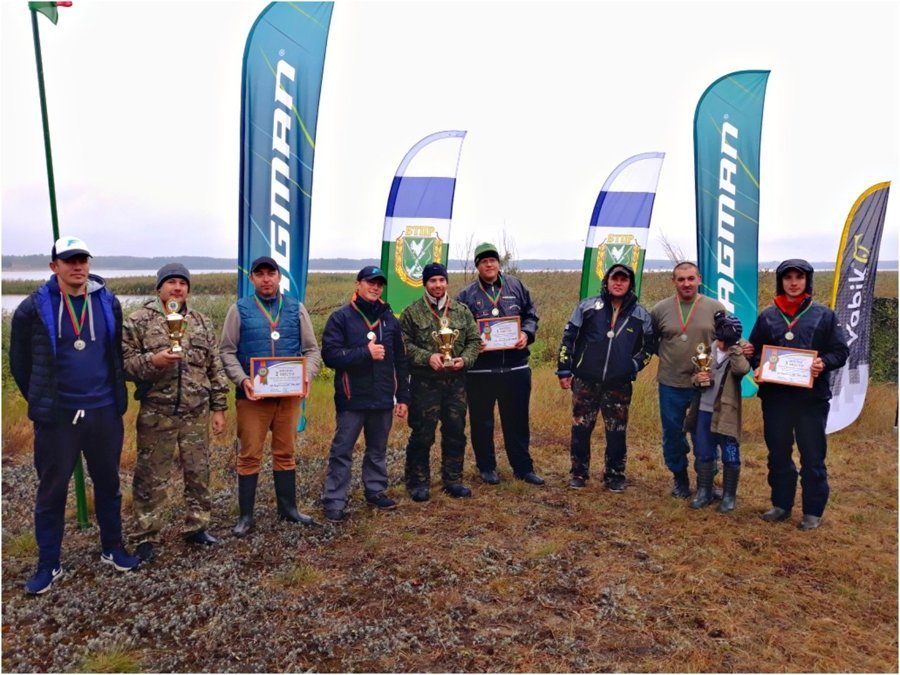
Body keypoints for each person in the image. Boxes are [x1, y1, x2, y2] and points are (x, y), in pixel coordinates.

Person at [9, 236, 140, 594]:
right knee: (52, 492)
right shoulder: (33, 307)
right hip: (59, 419)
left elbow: (114, 353)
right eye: (69, 261)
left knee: (109, 484)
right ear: (54, 267)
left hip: (103, 412)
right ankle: (49, 564)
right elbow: (20, 364)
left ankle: (113, 548)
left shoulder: (108, 302)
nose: (77, 266)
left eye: (82, 259)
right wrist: (45, 402)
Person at [122, 263, 229, 561]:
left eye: (183, 283)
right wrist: (153, 361)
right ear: (159, 288)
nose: (177, 287)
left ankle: (197, 527)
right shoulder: (138, 321)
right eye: (171, 282)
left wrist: (219, 407)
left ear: (188, 289)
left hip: (196, 412)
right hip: (158, 412)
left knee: (198, 473)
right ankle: (146, 535)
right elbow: (124, 364)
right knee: (151, 476)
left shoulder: (201, 322)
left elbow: (214, 367)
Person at [219, 256, 322, 536]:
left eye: (271, 273)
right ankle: (246, 517)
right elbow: (226, 351)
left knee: (286, 453)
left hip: (288, 398)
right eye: (260, 274)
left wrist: (307, 375)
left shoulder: (295, 308)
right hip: (252, 398)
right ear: (251, 278)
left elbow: (312, 350)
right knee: (249, 455)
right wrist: (242, 379)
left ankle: (288, 510)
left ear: (279, 277)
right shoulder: (238, 310)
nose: (266, 279)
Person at [748, 259, 848, 530]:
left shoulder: (824, 315)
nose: (793, 282)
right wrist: (755, 362)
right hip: (776, 399)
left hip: (811, 400)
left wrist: (823, 363)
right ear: (780, 281)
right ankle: (781, 504)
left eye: (799, 277)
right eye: (788, 277)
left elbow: (840, 352)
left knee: (812, 455)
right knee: (778, 453)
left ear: (807, 281)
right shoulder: (768, 315)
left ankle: (812, 511)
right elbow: (755, 351)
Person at [320, 266, 410, 522]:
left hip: (382, 397)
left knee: (378, 449)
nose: (375, 287)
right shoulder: (341, 317)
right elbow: (330, 355)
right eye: (370, 282)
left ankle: (375, 490)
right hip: (352, 398)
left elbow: (401, 361)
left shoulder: (390, 319)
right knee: (342, 450)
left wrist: (403, 397)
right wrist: (364, 353)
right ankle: (335, 499)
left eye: (379, 284)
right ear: (358, 284)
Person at [557, 264, 655, 492]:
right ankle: (579, 473)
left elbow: (649, 348)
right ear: (607, 281)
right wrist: (564, 369)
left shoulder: (641, 315)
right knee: (581, 429)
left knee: (616, 431)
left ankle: (615, 475)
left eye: (624, 280)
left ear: (630, 284)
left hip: (618, 384)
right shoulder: (588, 307)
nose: (618, 283)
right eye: (614, 279)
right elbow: (568, 338)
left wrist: (633, 365)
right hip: (585, 380)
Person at [456, 242, 543, 486]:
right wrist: (473, 343)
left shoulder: (516, 286)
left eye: (492, 259)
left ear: (498, 263)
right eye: (484, 261)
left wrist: (526, 333)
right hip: (481, 371)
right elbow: (456, 329)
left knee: (517, 420)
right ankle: (487, 467)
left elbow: (531, 314)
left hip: (516, 367)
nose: (489, 264)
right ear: (477, 266)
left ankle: (523, 468)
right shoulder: (466, 295)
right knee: (482, 421)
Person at [399, 262, 482, 501]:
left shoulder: (461, 310)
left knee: (456, 431)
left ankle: (453, 479)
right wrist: (428, 357)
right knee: (423, 433)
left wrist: (464, 360)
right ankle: (418, 482)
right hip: (425, 383)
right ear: (425, 283)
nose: (438, 285)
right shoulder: (412, 312)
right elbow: (404, 346)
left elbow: (474, 341)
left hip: (456, 382)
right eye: (433, 281)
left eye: (441, 280)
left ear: (447, 282)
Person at [650, 262, 728, 498]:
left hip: (705, 385)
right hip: (671, 383)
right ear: (673, 281)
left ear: (699, 280)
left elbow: (726, 343)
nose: (686, 283)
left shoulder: (715, 308)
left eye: (691, 279)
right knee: (673, 434)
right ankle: (680, 479)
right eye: (681, 279)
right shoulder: (660, 309)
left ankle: (706, 482)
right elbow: (652, 341)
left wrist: (711, 371)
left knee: (705, 434)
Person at [683, 311, 750, 512]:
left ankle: (729, 496)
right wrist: (698, 380)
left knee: (730, 452)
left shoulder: (738, 353)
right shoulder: (705, 352)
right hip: (703, 410)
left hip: (727, 412)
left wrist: (736, 347)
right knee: (703, 451)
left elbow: (741, 370)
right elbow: (694, 375)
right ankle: (704, 491)